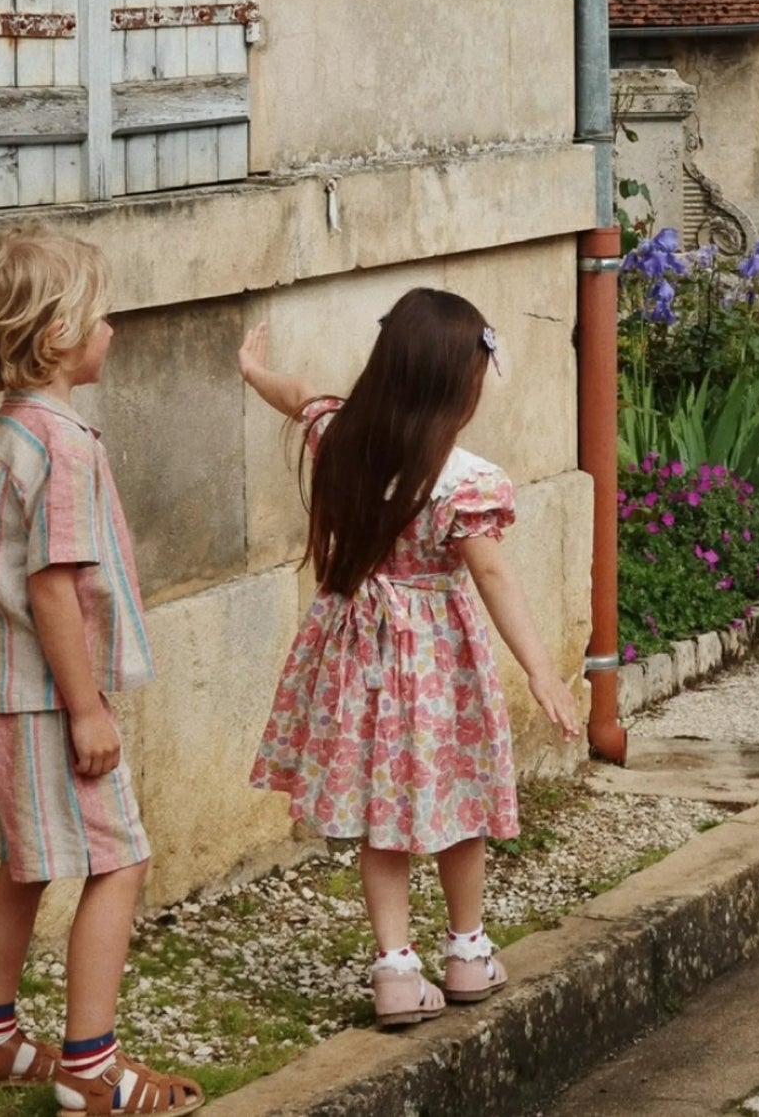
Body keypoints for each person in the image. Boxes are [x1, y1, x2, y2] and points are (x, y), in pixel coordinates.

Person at [239, 288, 581, 1029]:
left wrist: (250, 370)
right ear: (458, 385)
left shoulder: (339, 438)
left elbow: (298, 398)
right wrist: (541, 670)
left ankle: (395, 970)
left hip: (355, 653)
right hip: (436, 664)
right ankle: (466, 952)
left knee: (381, 812)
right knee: (457, 803)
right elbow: (491, 575)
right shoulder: (462, 482)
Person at [0, 224, 202, 1115]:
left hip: (1, 689)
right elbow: (53, 588)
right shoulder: (63, 445)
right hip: (50, 701)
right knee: (119, 861)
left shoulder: (9, 433)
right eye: (103, 314)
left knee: (26, 862)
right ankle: (91, 1070)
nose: (114, 328)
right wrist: (89, 710)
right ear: (57, 336)